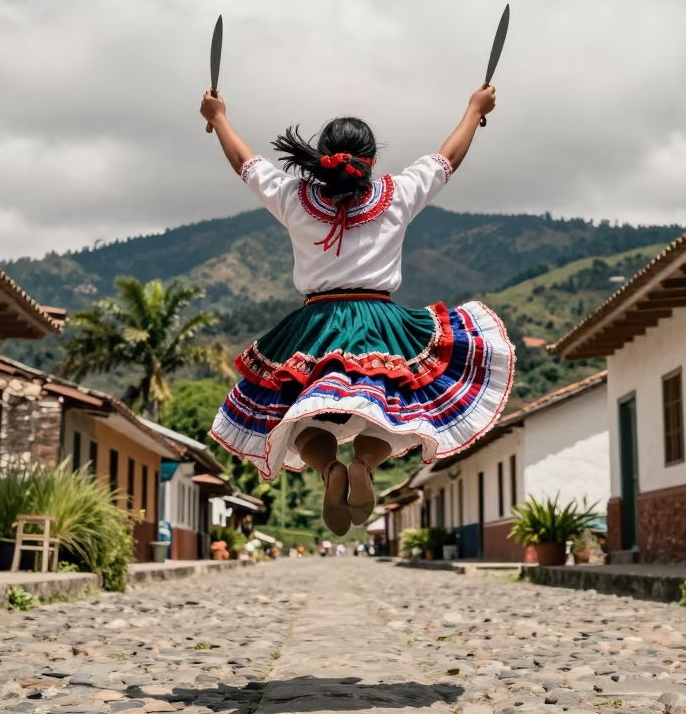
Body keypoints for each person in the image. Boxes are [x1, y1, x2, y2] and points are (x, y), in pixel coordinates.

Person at [201, 85, 514, 538]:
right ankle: (365, 463)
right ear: (371, 159)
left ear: (321, 158)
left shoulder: (293, 198)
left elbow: (246, 164)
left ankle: (330, 469)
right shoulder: (398, 194)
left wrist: (219, 117)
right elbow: (448, 158)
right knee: (392, 412)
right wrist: (473, 110)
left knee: (301, 418)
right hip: (381, 325)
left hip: (315, 326)